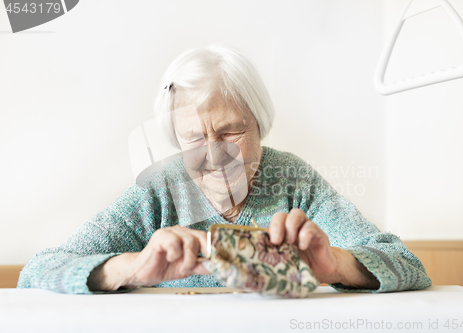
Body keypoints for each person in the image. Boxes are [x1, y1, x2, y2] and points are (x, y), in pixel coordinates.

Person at [17, 45, 431, 294]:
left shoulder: (293, 181)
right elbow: (37, 272)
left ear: (259, 124)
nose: (214, 156)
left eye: (232, 132)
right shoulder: (159, 189)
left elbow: (407, 264)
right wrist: (130, 267)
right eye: (194, 138)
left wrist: (336, 265)